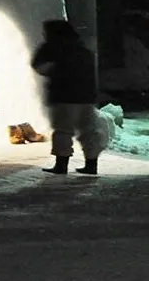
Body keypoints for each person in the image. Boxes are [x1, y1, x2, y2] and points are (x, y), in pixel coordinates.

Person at [31, 19, 107, 175]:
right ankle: (91, 164)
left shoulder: (52, 47)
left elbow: (39, 65)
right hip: (86, 97)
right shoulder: (83, 49)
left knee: (63, 131)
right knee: (89, 131)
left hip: (64, 96)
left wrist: (55, 72)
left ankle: (61, 164)